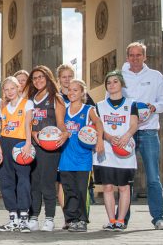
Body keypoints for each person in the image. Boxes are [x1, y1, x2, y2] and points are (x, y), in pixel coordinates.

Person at [121, 41, 163, 230]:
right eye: (132, 55)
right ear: (127, 57)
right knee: (125, 177)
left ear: (145, 57)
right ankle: (121, 219)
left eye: (139, 55)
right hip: (127, 133)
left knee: (153, 177)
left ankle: (158, 218)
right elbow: (113, 100)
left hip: (149, 131)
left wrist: (154, 107)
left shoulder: (155, 76)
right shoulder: (120, 76)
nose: (135, 58)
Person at [94, 71, 138, 231]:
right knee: (107, 187)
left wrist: (126, 136)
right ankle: (111, 220)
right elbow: (98, 127)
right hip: (107, 151)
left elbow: (134, 124)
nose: (112, 85)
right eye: (109, 82)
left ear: (121, 84)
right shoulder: (99, 106)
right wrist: (108, 137)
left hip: (125, 150)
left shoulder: (131, 104)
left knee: (124, 187)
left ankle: (121, 221)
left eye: (115, 81)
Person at [27, 65, 68, 232]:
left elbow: (60, 124)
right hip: (33, 146)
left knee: (47, 183)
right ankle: (34, 216)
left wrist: (64, 133)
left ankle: (50, 218)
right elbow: (26, 123)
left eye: (41, 77)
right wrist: (33, 132)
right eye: (35, 78)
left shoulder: (56, 98)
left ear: (48, 78)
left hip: (50, 146)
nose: (38, 80)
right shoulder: (30, 99)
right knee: (34, 183)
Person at [59, 79, 103, 233]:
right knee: (69, 190)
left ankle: (83, 220)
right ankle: (71, 219)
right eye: (69, 90)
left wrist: (100, 141)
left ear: (82, 92)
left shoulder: (88, 109)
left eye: (75, 90)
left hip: (83, 158)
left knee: (81, 190)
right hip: (65, 157)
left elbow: (98, 123)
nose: (71, 92)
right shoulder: (63, 109)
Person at [0, 76, 34, 232]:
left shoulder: (27, 103)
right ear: (3, 91)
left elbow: (28, 124)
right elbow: (1, 129)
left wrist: (28, 143)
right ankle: (13, 217)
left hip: (21, 144)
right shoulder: (3, 109)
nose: (10, 91)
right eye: (6, 89)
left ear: (19, 88)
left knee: (23, 180)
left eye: (13, 88)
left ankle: (24, 217)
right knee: (6, 181)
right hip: (5, 143)